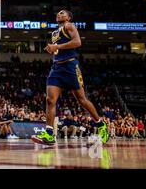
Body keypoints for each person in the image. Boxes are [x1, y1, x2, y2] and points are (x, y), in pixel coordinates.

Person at [31, 10, 109, 146]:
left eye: (62, 13)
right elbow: (58, 49)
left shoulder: (69, 26)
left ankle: (101, 124)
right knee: (50, 100)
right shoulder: (55, 32)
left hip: (70, 66)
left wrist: (57, 46)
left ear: (68, 17)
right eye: (58, 13)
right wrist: (52, 49)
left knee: (82, 100)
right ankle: (49, 134)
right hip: (56, 67)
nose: (58, 14)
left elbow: (77, 42)